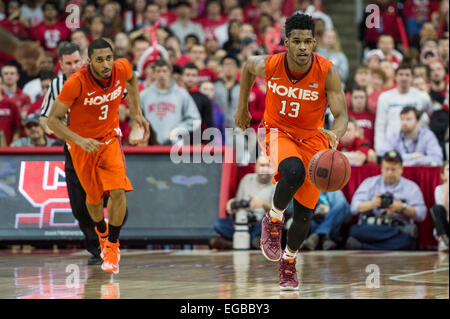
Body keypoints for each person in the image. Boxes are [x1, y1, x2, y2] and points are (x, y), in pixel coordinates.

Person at [234, 13, 348, 291]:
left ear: (314, 43)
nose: (302, 47)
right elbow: (248, 67)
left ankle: (289, 261)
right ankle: (273, 219)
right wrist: (242, 107)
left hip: (313, 140)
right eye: (296, 41)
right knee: (293, 172)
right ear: (286, 42)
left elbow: (341, 114)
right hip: (277, 131)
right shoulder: (272, 63)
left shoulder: (327, 70)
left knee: (305, 214)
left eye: (307, 41)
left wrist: (337, 132)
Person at [47, 38, 150, 275]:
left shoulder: (121, 68)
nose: (106, 64)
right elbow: (53, 121)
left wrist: (136, 114)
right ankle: (102, 234)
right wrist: (80, 140)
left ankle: (112, 246)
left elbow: (133, 79)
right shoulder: (76, 82)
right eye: (100, 59)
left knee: (118, 191)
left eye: (109, 58)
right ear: (89, 61)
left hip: (109, 139)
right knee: (92, 200)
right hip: (82, 146)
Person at [347, 151, 427, 250]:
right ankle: (393, 236)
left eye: (393, 169)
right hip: (372, 227)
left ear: (401, 169)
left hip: (397, 224)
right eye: (387, 169)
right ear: (381, 169)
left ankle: (364, 246)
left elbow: (422, 214)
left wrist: (402, 207)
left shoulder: (411, 187)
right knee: (354, 231)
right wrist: (372, 204)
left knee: (407, 240)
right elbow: (353, 208)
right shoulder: (369, 183)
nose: (389, 173)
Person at [210, 155, 276, 250]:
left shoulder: (276, 184)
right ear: (256, 167)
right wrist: (231, 204)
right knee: (218, 224)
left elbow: (279, 212)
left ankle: (235, 243)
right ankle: (252, 243)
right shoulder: (246, 179)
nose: (265, 169)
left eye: (268, 166)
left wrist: (263, 203)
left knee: (271, 223)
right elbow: (238, 201)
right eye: (262, 165)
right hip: (242, 221)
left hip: (261, 224)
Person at [140, 58, 201, 145]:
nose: (161, 74)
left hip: (175, 146)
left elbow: (195, 120)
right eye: (158, 71)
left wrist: (178, 130)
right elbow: (136, 120)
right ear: (153, 73)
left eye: (164, 71)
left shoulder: (182, 94)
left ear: (170, 72)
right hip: (150, 145)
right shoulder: (144, 95)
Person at [374, 64, 433, 153]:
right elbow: (380, 125)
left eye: (407, 75)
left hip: (416, 146)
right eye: (401, 74)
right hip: (392, 145)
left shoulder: (422, 96)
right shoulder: (384, 97)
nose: (404, 78)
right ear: (395, 77)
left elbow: (429, 114)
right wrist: (379, 149)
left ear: (412, 77)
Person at [378, 106, 443, 166]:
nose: (404, 122)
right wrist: (411, 156)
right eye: (402, 119)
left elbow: (437, 159)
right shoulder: (394, 136)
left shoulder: (427, 135)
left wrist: (410, 163)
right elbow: (382, 156)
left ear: (418, 121)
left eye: (408, 119)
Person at [430, 161, 449, 251]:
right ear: (443, 175)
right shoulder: (439, 189)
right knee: (436, 209)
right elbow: (442, 210)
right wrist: (447, 189)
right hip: (445, 224)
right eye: (448, 170)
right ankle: (444, 239)